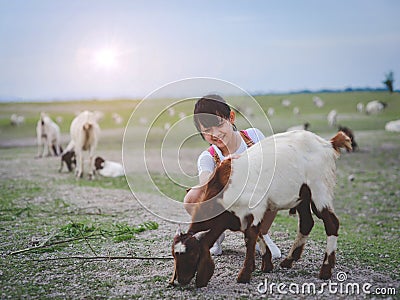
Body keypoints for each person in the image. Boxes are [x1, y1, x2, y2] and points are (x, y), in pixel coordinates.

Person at [184, 94, 281, 257]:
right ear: (201, 133)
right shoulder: (208, 157)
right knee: (193, 196)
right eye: (207, 130)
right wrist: (224, 168)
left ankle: (261, 234)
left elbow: (271, 167)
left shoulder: (254, 136)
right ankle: (215, 234)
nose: (215, 133)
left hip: (253, 200)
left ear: (231, 118)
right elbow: (206, 186)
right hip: (226, 206)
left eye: (219, 124)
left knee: (274, 185)